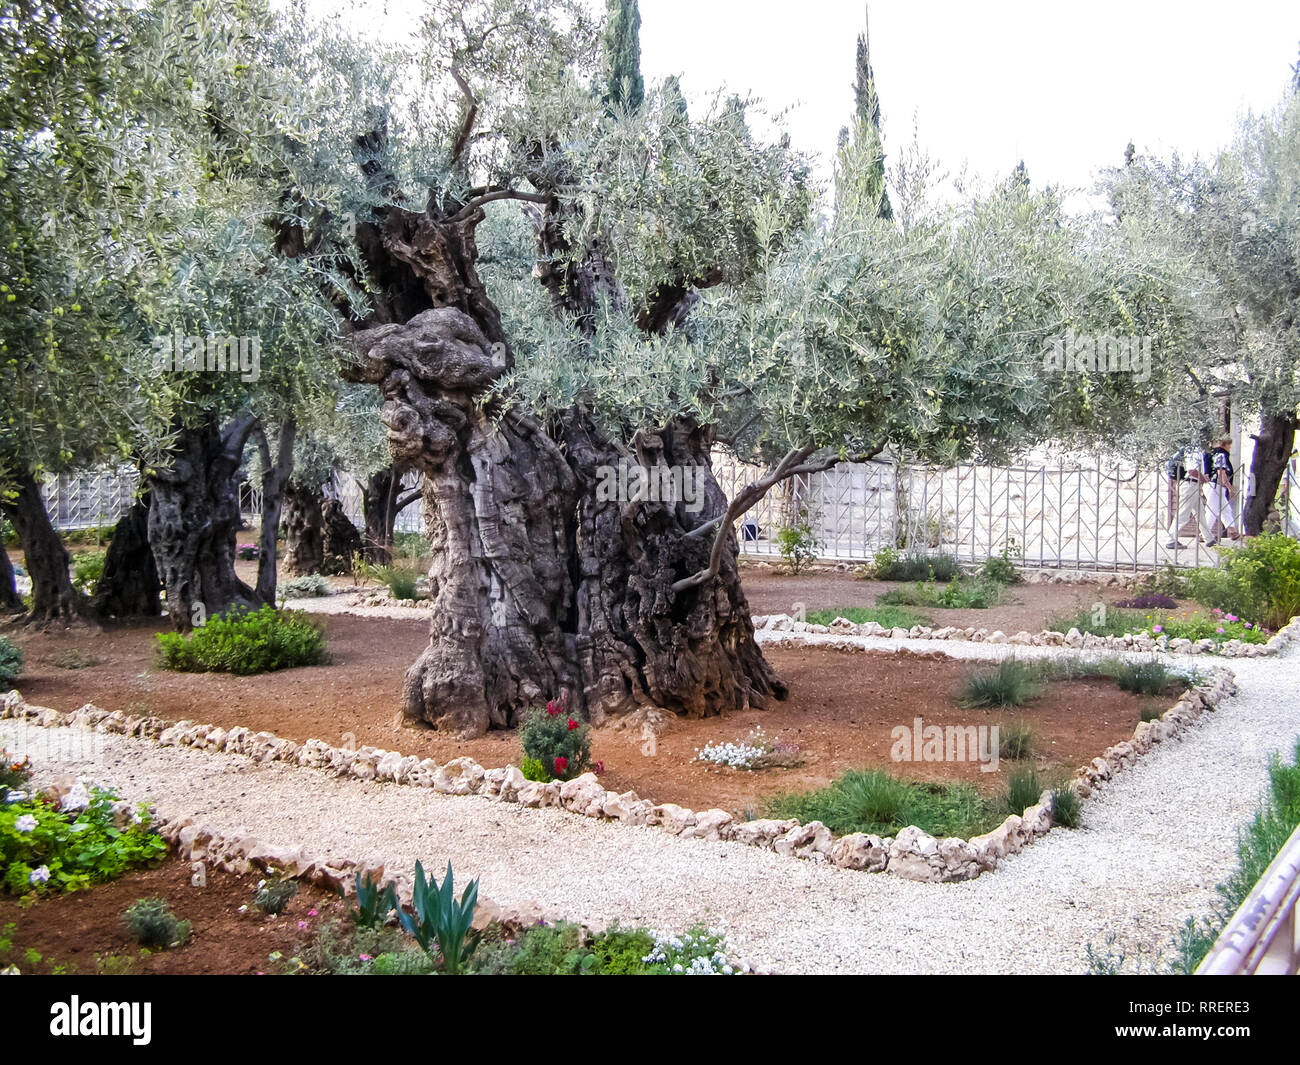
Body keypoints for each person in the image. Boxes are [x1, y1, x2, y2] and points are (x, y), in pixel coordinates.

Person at [1164, 444, 1211, 550]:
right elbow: (1191, 471)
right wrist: (1203, 478)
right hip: (1189, 485)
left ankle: (1209, 538)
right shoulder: (1193, 450)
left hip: (1193, 485)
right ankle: (1170, 539)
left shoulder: (1195, 450)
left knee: (1200, 513)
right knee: (1183, 514)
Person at [1203, 436, 1238, 546]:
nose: (1230, 448)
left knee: (1225, 509)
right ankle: (1204, 534)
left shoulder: (1213, 453)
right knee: (1212, 511)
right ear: (1225, 444)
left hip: (1215, 486)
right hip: (1216, 486)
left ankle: (1233, 531)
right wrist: (1229, 487)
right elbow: (1221, 472)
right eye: (1229, 445)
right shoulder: (1221, 454)